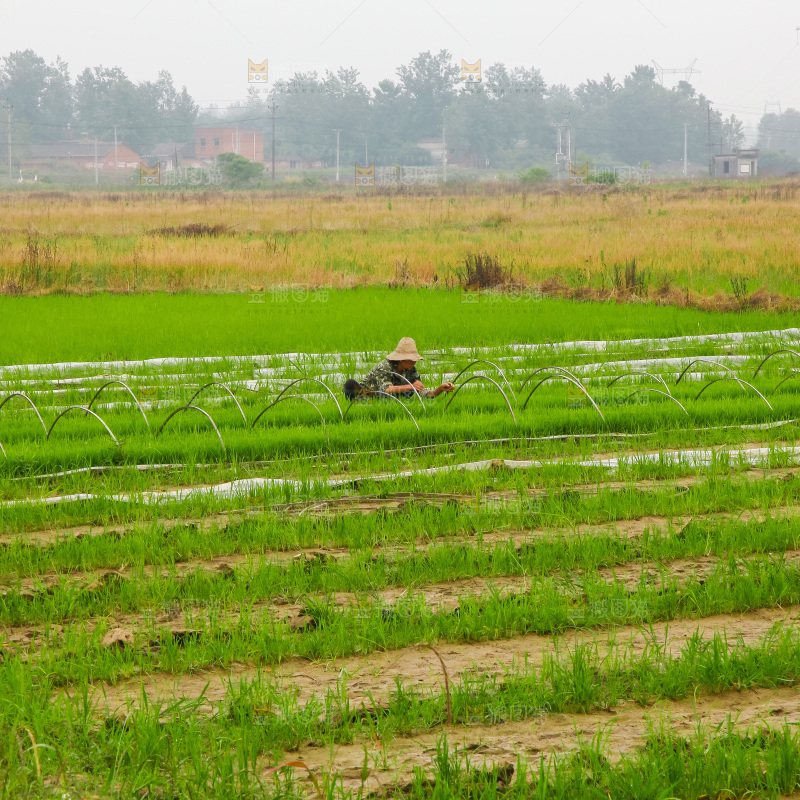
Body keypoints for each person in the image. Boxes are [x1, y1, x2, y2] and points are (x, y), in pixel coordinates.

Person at [343, 337, 455, 400]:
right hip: (368, 394)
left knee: (407, 394)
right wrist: (411, 386)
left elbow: (422, 393)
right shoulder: (385, 366)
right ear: (401, 359)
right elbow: (385, 390)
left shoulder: (411, 370)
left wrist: (439, 389)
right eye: (409, 360)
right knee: (350, 384)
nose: (413, 362)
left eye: (414, 360)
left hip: (389, 398)